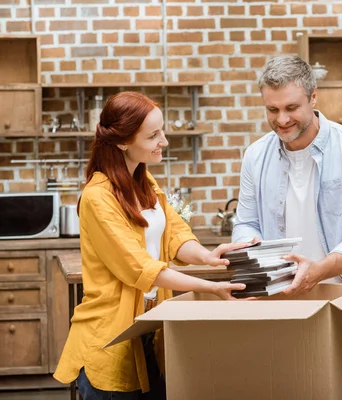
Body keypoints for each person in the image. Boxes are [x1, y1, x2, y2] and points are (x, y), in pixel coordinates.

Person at [54, 91, 249, 399]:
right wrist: (210, 288)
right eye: (153, 135)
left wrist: (208, 257)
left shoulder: (146, 183)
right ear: (122, 142)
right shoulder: (98, 197)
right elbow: (142, 269)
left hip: (149, 329)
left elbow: (174, 235)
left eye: (162, 131)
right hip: (111, 337)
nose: (164, 141)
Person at [232, 55, 342, 400]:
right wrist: (245, 251)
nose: (281, 120)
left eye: (291, 107)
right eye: (272, 110)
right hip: (282, 300)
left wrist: (318, 271)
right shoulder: (255, 156)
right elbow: (247, 221)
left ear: (314, 98)